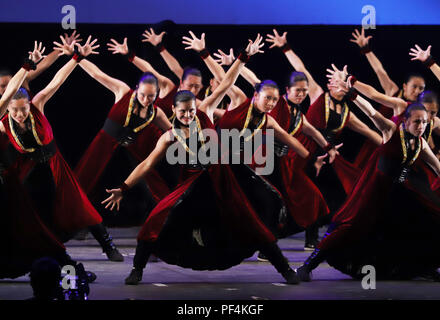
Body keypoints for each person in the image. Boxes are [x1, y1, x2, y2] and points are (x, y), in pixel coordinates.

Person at [103, 35, 308, 285]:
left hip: (221, 177)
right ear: (174, 112)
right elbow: (146, 164)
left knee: (251, 221)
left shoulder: (205, 111)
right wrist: (123, 188)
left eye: (191, 110)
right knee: (157, 218)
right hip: (190, 182)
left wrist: (244, 56)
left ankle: (285, 268)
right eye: (183, 112)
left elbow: (226, 83)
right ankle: (137, 268)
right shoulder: (169, 136)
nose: (188, 115)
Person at [296, 71, 440, 281]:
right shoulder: (391, 130)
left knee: (420, 221)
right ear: (405, 122)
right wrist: (352, 93)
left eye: (425, 122)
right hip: (370, 192)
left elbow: (437, 167)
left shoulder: (421, 143)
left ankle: (422, 266)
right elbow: (372, 112)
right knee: (348, 226)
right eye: (417, 122)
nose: (421, 127)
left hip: (396, 194)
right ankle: (308, 265)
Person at [0, 37, 123, 262]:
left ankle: (108, 245)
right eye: (15, 111)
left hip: (55, 162)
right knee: (28, 212)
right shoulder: (3, 121)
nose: (20, 114)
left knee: (79, 204)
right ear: (8, 107)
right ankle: (44, 256)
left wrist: (76, 58)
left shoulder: (37, 104)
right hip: (28, 168)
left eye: (23, 109)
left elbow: (57, 80)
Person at [74, 43, 173, 228]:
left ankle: (154, 231)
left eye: (151, 96)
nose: (146, 100)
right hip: (104, 146)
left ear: (157, 94)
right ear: (137, 89)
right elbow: (98, 75)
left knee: (150, 188)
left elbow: (173, 132)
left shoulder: (156, 112)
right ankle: (81, 225)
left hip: (130, 151)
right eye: (143, 95)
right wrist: (77, 57)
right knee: (85, 183)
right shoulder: (123, 91)